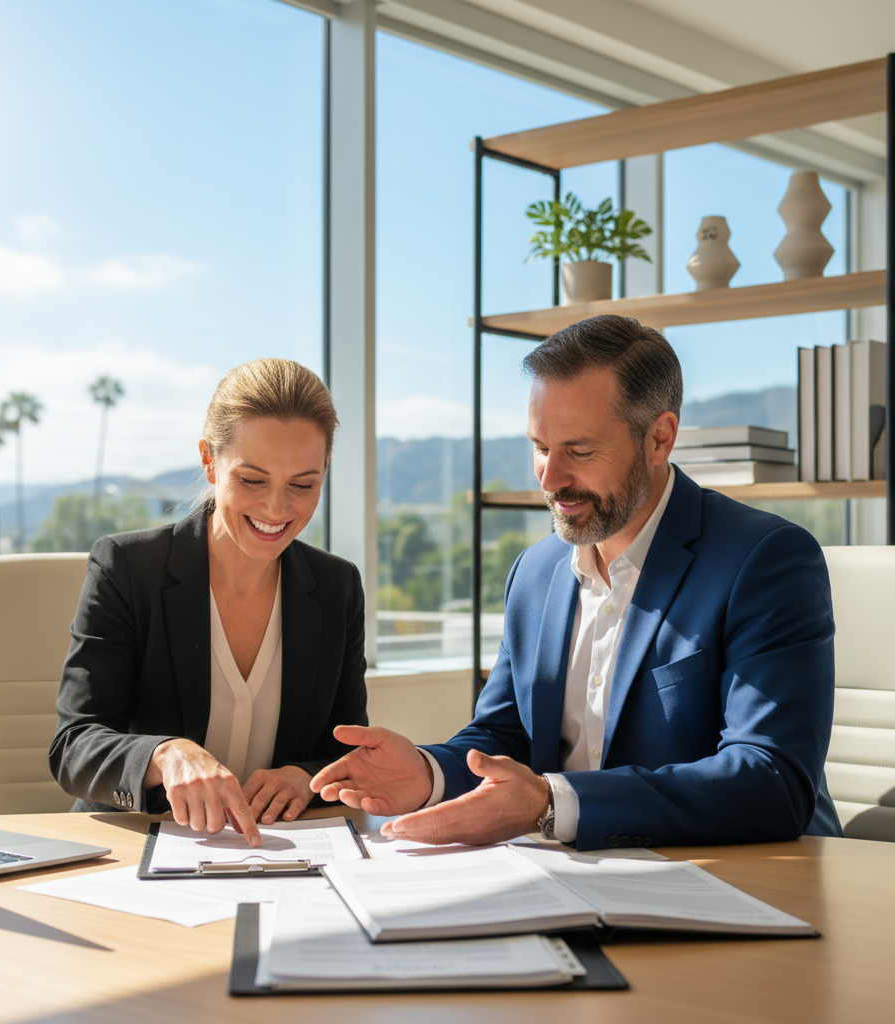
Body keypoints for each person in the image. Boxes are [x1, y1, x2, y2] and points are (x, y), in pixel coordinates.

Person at [312, 314, 842, 851]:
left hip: (751, 880)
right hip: (575, 878)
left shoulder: (765, 560)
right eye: (540, 446)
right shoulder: (535, 572)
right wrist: (429, 773)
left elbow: (771, 779)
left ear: (659, 439)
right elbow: (504, 736)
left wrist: (553, 804)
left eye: (579, 452)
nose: (549, 477)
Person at [50, 358, 367, 846]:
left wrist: (306, 777)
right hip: (137, 846)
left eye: (303, 485)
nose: (277, 509)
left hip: (279, 854)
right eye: (253, 480)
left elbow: (345, 748)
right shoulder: (128, 569)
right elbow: (74, 746)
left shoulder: (336, 586)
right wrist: (164, 755)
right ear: (208, 460)